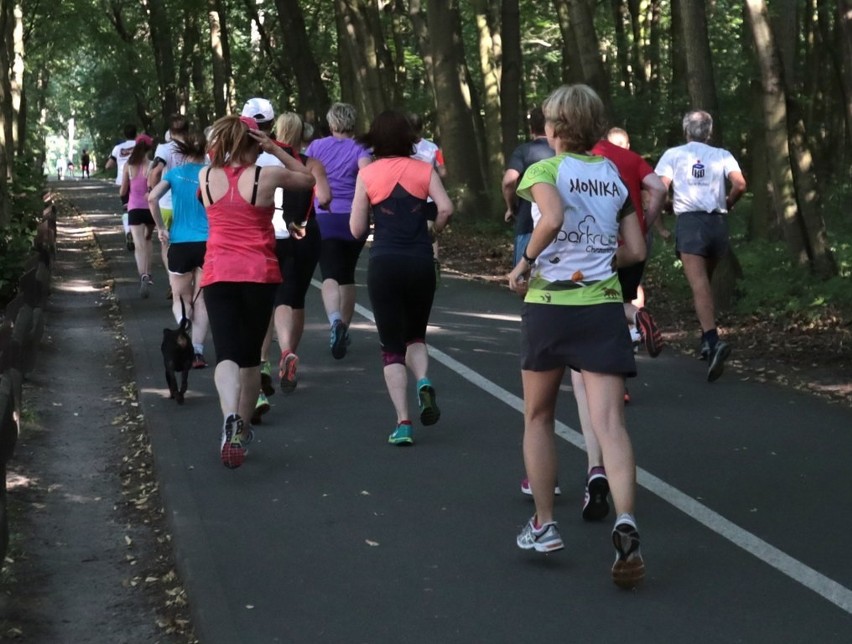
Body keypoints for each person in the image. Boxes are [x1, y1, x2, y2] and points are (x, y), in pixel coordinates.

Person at [507, 84, 646, 589]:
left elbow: (553, 217)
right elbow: (633, 249)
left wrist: (523, 264)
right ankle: (626, 521)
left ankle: (545, 525)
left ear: (557, 128)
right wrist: (600, 260)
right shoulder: (612, 176)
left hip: (550, 307)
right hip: (603, 307)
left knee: (539, 416)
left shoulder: (543, 170)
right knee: (611, 424)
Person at [199, 115, 315, 469]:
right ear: (254, 142)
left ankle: (229, 420)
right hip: (258, 274)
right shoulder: (266, 176)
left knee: (227, 357)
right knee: (251, 358)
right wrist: (275, 148)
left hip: (218, 272)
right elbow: (308, 179)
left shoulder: (205, 176)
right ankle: (242, 427)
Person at [350, 110, 453, 445]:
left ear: (375, 139)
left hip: (385, 262)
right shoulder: (424, 169)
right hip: (420, 261)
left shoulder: (368, 173)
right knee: (416, 336)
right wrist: (432, 231)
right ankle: (423, 379)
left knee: (391, 348)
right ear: (409, 137)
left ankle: (403, 422)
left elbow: (356, 228)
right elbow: (446, 208)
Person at [655, 110, 746, 382]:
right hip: (717, 222)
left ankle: (712, 339)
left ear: (686, 131)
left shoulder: (673, 155)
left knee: (699, 284)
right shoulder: (722, 154)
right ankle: (706, 342)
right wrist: (727, 203)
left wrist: (665, 209)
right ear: (709, 132)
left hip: (691, 222)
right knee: (704, 280)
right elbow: (740, 184)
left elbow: (659, 188)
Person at [260, 111, 330, 401]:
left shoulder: (264, 159)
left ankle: (262, 360)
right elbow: (324, 197)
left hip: (270, 232)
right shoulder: (310, 163)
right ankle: (288, 351)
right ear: (303, 134)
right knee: (294, 296)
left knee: (268, 298)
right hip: (303, 231)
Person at [592, 126, 667, 360]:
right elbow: (659, 188)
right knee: (621, 301)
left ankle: (608, 372)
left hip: (597, 244)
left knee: (596, 307)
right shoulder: (632, 158)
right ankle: (636, 317)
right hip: (632, 244)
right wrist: (643, 225)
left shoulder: (584, 156)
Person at [305, 102, 372, 360]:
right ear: (353, 122)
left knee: (329, 273)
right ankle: (344, 326)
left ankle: (334, 321)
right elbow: (368, 177)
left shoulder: (316, 147)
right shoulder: (361, 148)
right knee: (347, 274)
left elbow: (306, 177)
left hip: (324, 216)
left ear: (331, 123)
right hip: (355, 217)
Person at [148, 132, 211, 368]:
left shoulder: (174, 174)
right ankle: (197, 351)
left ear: (183, 153)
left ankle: (183, 323)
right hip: (208, 244)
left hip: (180, 244)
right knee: (202, 299)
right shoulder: (212, 175)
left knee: (181, 297)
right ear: (205, 151)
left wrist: (161, 228)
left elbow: (152, 198)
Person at [502, 107, 555, 268]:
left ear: (531, 129)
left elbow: (508, 181)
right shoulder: (562, 151)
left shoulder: (524, 151)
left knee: (523, 283)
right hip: (561, 227)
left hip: (528, 223)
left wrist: (511, 207)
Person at [149, 115, 192, 293]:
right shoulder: (194, 147)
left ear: (170, 132)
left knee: (166, 243)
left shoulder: (164, 148)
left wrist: (154, 190)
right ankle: (187, 280)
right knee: (187, 241)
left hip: (166, 203)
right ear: (187, 130)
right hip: (189, 203)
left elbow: (156, 171)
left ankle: (172, 280)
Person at [408, 112, 447, 272]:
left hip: (409, 197)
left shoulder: (402, 148)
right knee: (429, 231)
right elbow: (443, 171)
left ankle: (414, 261)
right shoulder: (434, 148)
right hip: (431, 197)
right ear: (422, 128)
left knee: (411, 230)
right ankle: (434, 261)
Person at [119, 134, 156, 298]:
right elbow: (155, 188)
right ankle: (149, 272)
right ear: (149, 148)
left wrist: (124, 202)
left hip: (134, 208)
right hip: (150, 209)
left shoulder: (128, 165)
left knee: (138, 244)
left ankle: (143, 274)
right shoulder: (152, 165)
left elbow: (123, 190)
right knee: (148, 240)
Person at [106, 124, 138, 252]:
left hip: (122, 181)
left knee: (126, 208)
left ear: (124, 135)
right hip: (138, 180)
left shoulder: (117, 148)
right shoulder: (140, 146)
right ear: (136, 133)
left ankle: (127, 230)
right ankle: (138, 234)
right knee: (137, 207)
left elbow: (108, 165)